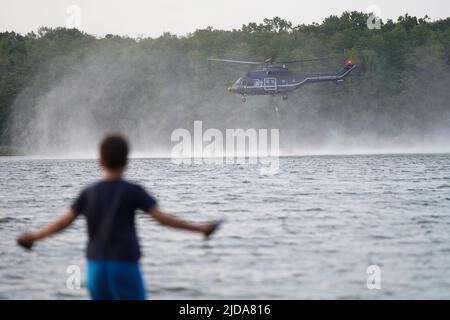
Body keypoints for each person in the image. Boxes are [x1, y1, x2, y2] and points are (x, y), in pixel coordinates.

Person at [16, 134, 221, 300]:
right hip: (124, 266)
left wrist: (33, 237)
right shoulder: (133, 191)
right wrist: (201, 228)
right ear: (126, 162)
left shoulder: (88, 193)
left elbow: (62, 223)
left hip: (95, 269)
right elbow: (162, 219)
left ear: (100, 162)